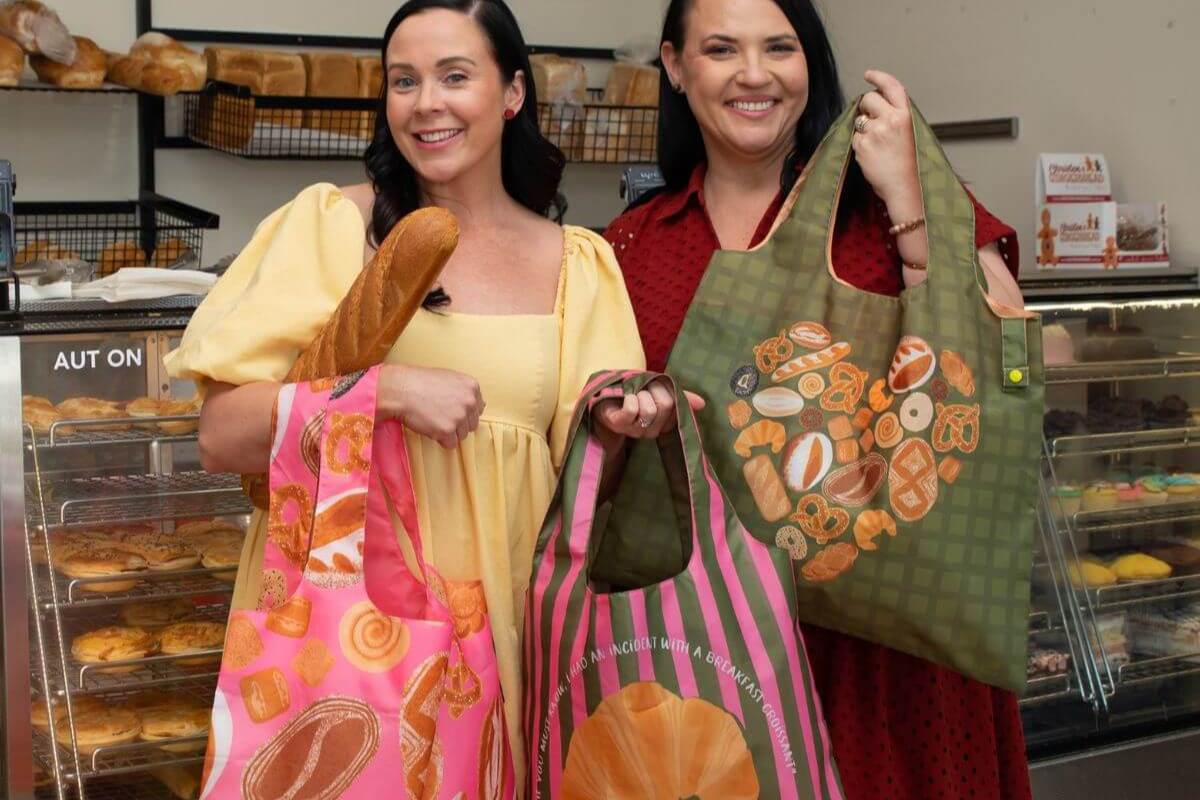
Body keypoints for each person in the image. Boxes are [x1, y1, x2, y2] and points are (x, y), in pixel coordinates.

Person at [164, 0, 672, 784]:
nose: (426, 102)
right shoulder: (335, 227)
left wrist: (633, 418)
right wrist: (388, 390)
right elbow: (221, 433)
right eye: (404, 81)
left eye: (454, 76)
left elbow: (594, 458)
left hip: (516, 628)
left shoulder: (579, 260)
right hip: (353, 628)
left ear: (512, 93)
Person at [602, 0, 1031, 797]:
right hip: (711, 648)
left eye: (781, 48)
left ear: (812, 64)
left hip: (889, 644)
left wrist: (909, 199)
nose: (755, 74)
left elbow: (1002, 350)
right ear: (674, 64)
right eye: (722, 48)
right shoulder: (631, 244)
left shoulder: (882, 206)